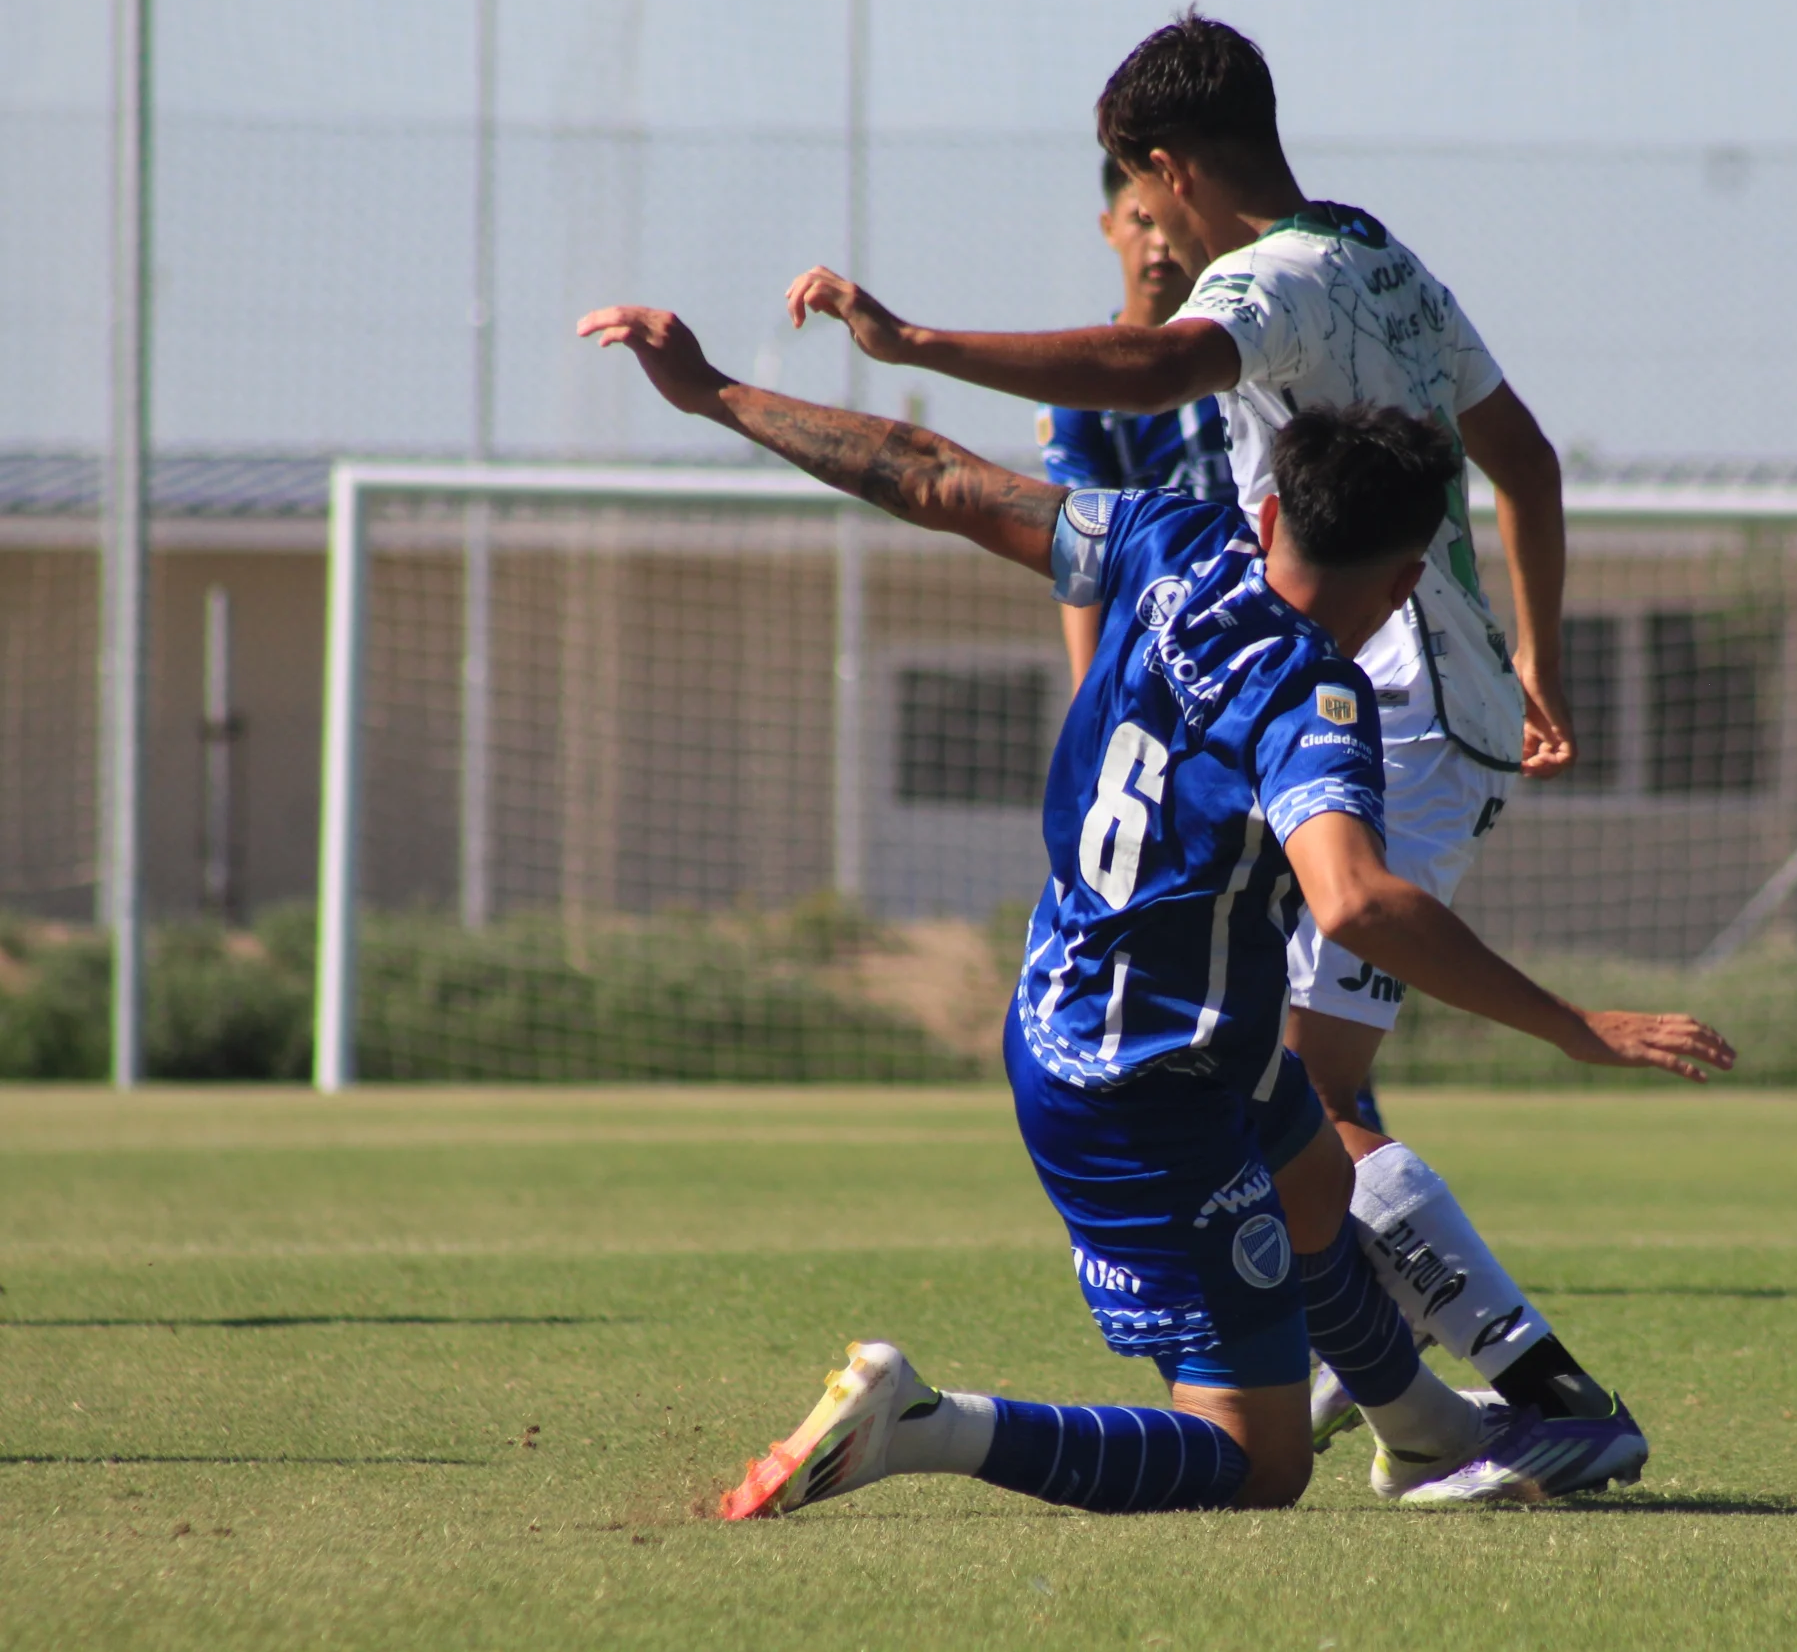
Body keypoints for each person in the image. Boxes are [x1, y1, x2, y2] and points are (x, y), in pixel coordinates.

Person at [574, 299, 1736, 1514]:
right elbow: (1358, 905)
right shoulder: (1316, 706)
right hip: (1136, 1084)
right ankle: (925, 1426)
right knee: (1258, 1461)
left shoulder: (1169, 539)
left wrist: (714, 394)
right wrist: (1573, 1025)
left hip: (1135, 1016)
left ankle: (1436, 1431)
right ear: (1404, 582)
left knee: (1314, 1183)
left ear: (1272, 511)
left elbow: (933, 477)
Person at [777, 13, 1644, 1504]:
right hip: (1439, 702)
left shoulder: (1261, 281)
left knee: (1314, 1089)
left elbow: (1146, 359)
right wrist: (1542, 666)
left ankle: (1547, 1397)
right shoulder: (1375, 249)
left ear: (1169, 168)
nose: (1147, 231)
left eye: (1140, 196)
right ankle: (1420, 1414)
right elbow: (1531, 464)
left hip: (1382, 711)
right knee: (1285, 1104)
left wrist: (916, 344)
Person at [1041, 155, 1235, 687]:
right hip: (1152, 653)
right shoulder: (1081, 381)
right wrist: (1089, 696)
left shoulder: (1246, 348)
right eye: (1140, 220)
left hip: (1253, 634)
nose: (1158, 242)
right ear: (1109, 228)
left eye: (1167, 219)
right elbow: (1082, 549)